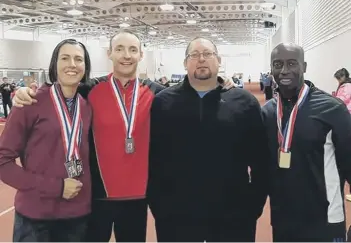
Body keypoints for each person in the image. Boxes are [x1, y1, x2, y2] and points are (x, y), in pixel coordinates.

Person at [11, 30, 235, 242]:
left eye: (132, 50)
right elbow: (58, 90)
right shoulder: (89, 89)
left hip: (137, 200)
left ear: (141, 54)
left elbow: (193, 90)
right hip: (97, 198)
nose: (126, 55)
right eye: (119, 49)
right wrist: (24, 92)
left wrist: (222, 83)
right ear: (110, 53)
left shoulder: (159, 93)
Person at [147, 37, 270, 242]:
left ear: (219, 60)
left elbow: (260, 160)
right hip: (176, 216)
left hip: (233, 214)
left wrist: (252, 206)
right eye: (194, 55)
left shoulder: (244, 102)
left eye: (207, 54)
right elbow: (153, 158)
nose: (201, 59)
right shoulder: (163, 102)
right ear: (185, 63)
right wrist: (158, 205)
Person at [0, 39, 92, 241]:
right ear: (54, 64)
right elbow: (3, 162)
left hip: (77, 217)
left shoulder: (87, 106)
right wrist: (56, 187)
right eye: (65, 58)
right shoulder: (31, 102)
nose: (72, 64)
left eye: (78, 59)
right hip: (35, 219)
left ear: (85, 67)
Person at [261, 43, 351, 242]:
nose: (284, 70)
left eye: (292, 63)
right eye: (278, 64)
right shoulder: (267, 113)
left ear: (304, 66)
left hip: (325, 221)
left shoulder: (332, 109)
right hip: (283, 220)